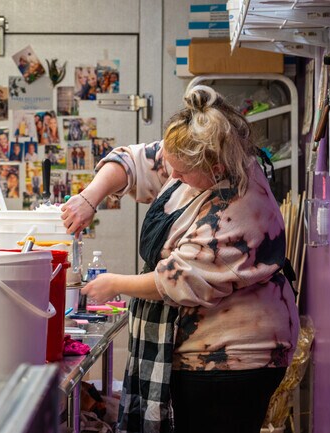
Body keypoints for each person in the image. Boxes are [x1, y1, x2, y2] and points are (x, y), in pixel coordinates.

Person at [61, 85, 299, 433]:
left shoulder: (239, 211)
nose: (172, 177)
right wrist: (89, 197)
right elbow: (132, 161)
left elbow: (177, 281)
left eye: (182, 174)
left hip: (233, 360)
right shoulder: (196, 151)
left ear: (216, 169)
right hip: (200, 346)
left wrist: (114, 283)